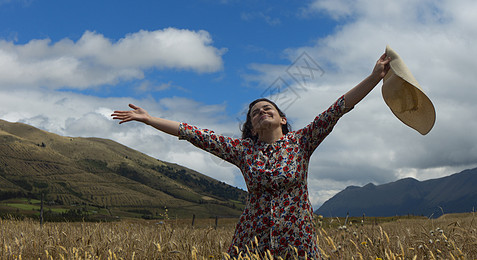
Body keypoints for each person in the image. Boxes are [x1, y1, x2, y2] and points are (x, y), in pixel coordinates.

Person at [112, 53, 391, 259]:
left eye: (267, 108)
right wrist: (149, 119)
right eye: (255, 112)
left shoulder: (302, 141)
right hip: (253, 236)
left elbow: (338, 108)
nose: (261, 112)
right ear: (252, 127)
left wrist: (374, 77)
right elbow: (193, 133)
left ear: (282, 119)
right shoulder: (243, 150)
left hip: (296, 236)